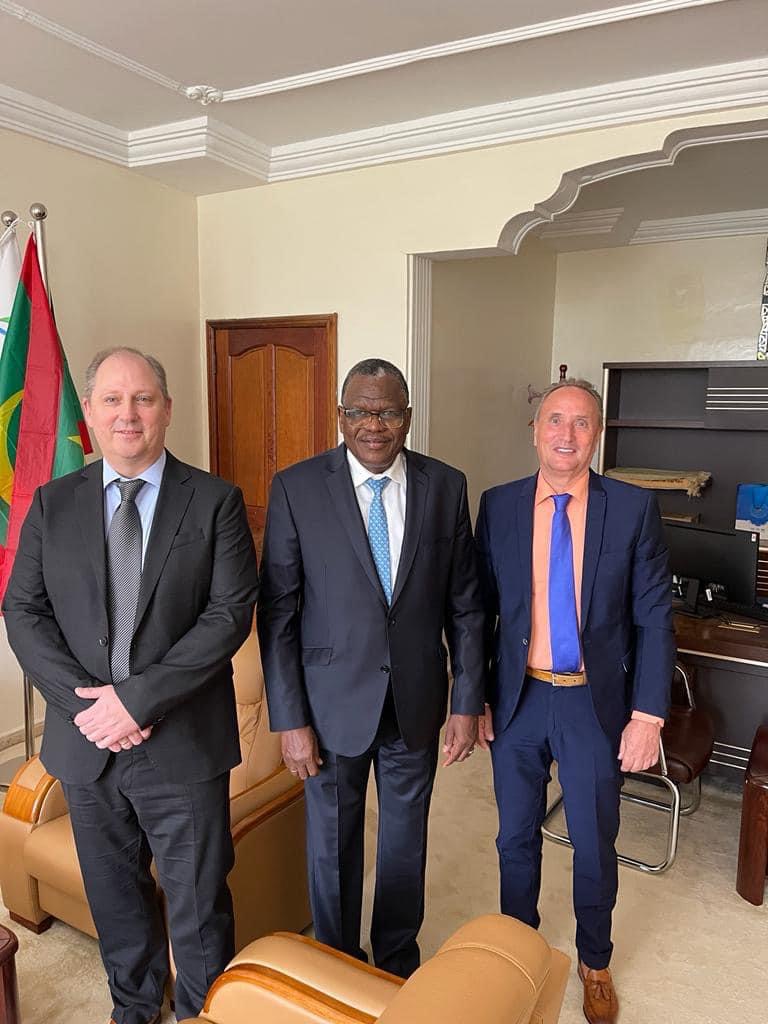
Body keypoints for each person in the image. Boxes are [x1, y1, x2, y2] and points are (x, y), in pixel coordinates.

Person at [3, 347, 259, 1024]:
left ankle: (201, 1015)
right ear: (88, 413)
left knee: (200, 908)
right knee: (116, 904)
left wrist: (135, 701)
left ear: (167, 409)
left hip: (183, 746)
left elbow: (229, 615)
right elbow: (23, 612)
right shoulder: (53, 503)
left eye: (143, 398)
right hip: (87, 747)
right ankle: (134, 1010)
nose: (128, 414)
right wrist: (89, 708)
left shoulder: (215, 501)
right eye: (112, 400)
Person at [257, 357, 484, 978]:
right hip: (329, 704)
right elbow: (278, 613)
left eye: (386, 412)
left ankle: (395, 962)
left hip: (416, 700)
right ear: (341, 416)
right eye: (359, 411)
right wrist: (290, 720)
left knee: (406, 842)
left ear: (406, 417)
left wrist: (466, 702)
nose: (373, 425)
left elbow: (466, 606)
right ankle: (337, 961)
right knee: (332, 844)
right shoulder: (298, 488)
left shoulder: (446, 485)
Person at [475, 378, 673, 1024]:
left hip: (593, 704)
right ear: (534, 431)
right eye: (555, 420)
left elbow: (654, 617)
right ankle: (518, 950)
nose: (566, 434)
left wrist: (648, 715)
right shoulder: (498, 505)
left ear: (598, 435)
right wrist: (473, 697)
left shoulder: (633, 509)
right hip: (518, 699)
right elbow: (478, 612)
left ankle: (595, 960)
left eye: (581, 422)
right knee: (514, 837)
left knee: (593, 841)